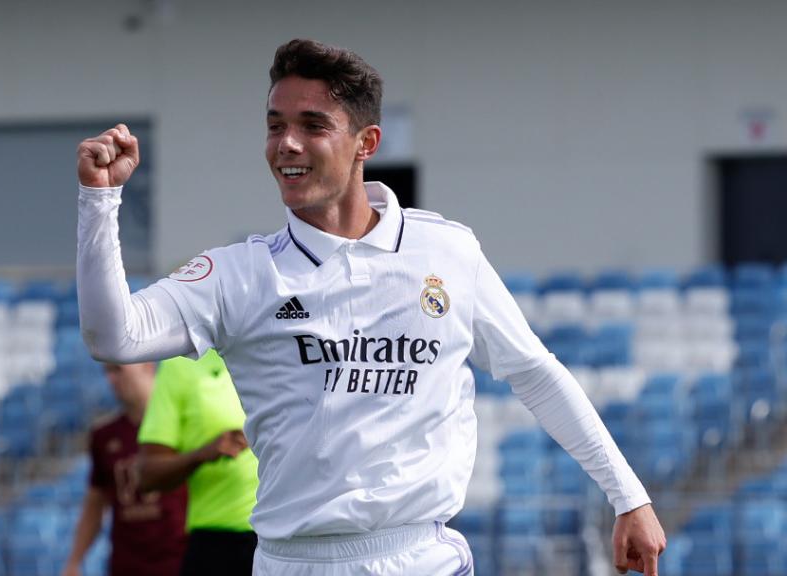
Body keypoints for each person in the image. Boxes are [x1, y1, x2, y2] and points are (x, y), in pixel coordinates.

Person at [75, 38, 666, 575]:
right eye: (275, 125)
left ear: (367, 143)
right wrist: (100, 200)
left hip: (422, 557)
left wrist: (628, 496)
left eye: (313, 125)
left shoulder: (447, 251)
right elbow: (114, 337)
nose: (288, 144)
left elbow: (535, 372)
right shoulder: (240, 272)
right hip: (292, 561)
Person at [137, 349, 260, 576]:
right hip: (218, 546)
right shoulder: (179, 365)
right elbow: (146, 474)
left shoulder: (284, 350)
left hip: (287, 536)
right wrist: (201, 454)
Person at [63, 362, 187, 576]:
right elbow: (95, 504)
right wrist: (74, 561)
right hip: (127, 565)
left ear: (147, 366)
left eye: (118, 369)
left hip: (180, 562)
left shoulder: (184, 424)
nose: (111, 380)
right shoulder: (104, 436)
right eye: (107, 372)